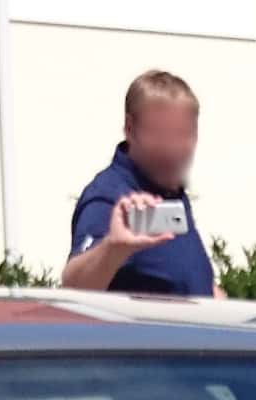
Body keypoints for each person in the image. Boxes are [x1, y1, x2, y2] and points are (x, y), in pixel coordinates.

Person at [63, 71, 217, 297]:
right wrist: (113, 247)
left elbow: (191, 285)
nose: (172, 149)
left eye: (183, 135)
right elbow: (73, 287)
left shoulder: (169, 191)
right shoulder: (111, 197)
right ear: (130, 128)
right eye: (159, 134)